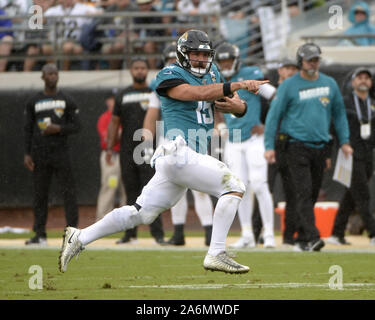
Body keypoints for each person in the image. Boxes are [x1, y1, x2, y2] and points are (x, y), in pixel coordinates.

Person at [59, 29, 269, 274]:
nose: (201, 60)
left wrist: (239, 106)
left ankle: (79, 237)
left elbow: (235, 105)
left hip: (189, 156)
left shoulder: (213, 72)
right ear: (182, 54)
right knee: (234, 186)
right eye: (194, 54)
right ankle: (217, 252)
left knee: (141, 214)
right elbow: (197, 93)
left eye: (204, 55)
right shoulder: (169, 74)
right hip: (178, 151)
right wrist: (241, 84)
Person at [264, 43, 353, 252]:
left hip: (321, 146)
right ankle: (313, 237)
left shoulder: (329, 84)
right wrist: (269, 145)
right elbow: (273, 116)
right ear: (300, 62)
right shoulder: (288, 86)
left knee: (312, 193)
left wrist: (346, 141)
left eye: (316, 59)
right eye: (309, 60)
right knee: (303, 192)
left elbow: (339, 114)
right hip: (296, 145)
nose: (314, 63)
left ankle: (302, 239)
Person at [143, 42, 214, 246]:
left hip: (195, 135)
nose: (170, 66)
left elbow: (210, 103)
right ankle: (179, 232)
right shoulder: (162, 83)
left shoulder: (198, 80)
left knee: (200, 187)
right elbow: (151, 114)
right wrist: (147, 140)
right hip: (171, 139)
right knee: (176, 189)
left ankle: (209, 232)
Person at [214, 42, 275, 249]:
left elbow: (276, 97)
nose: (226, 64)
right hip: (233, 140)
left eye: (228, 60)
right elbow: (212, 104)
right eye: (222, 61)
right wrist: (221, 125)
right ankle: (247, 234)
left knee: (259, 184)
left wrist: (267, 125)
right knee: (239, 188)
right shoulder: (219, 79)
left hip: (254, 139)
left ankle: (269, 234)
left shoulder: (251, 74)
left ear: (237, 59)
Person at [107, 57, 166, 245]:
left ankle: (158, 234)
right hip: (127, 149)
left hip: (149, 148)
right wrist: (109, 147)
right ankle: (129, 233)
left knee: (152, 191)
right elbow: (114, 122)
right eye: (136, 68)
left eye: (143, 68)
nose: (140, 71)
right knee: (130, 191)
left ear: (147, 71)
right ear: (131, 71)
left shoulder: (154, 92)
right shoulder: (123, 95)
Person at [24, 63, 81, 245]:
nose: (52, 76)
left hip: (61, 152)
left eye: (55, 73)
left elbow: (77, 126)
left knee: (69, 193)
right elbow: (27, 129)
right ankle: (39, 234)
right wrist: (27, 153)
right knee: (40, 194)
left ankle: (73, 233)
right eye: (49, 73)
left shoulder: (66, 100)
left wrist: (59, 128)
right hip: (40, 154)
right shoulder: (34, 101)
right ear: (43, 77)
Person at [252, 58, 300, 247]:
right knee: (264, 188)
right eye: (287, 68)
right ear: (280, 71)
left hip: (291, 145)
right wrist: (261, 128)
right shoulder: (268, 92)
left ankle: (289, 237)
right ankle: (256, 234)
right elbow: (260, 115)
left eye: (294, 68)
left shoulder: (298, 91)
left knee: (293, 192)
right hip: (270, 146)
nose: (291, 72)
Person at [327, 67, 375, 246]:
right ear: (353, 82)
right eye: (360, 77)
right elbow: (335, 125)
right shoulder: (345, 102)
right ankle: (373, 232)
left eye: (366, 78)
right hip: (350, 153)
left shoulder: (372, 104)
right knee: (362, 194)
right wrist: (343, 143)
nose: (363, 80)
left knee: (351, 195)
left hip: (368, 154)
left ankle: (336, 233)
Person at [95, 91, 127, 221]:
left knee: (126, 189)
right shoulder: (105, 118)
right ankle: (102, 220)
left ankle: (127, 221)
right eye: (111, 99)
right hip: (111, 156)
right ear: (107, 101)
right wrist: (117, 133)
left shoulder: (124, 116)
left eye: (115, 99)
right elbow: (109, 138)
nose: (113, 102)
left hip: (124, 155)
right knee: (110, 186)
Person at [44, 0, 99, 70]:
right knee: (46, 48)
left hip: (74, 42)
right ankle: (52, 71)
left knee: (67, 47)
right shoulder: (54, 10)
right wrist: (47, 5)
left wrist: (91, 14)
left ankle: (64, 71)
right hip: (56, 41)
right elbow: (42, 19)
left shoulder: (82, 8)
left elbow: (100, 12)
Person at [0, 8, 13, 72]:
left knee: (7, 39)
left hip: (1, 40)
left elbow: (8, 30)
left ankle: (0, 72)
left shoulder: (1, 13)